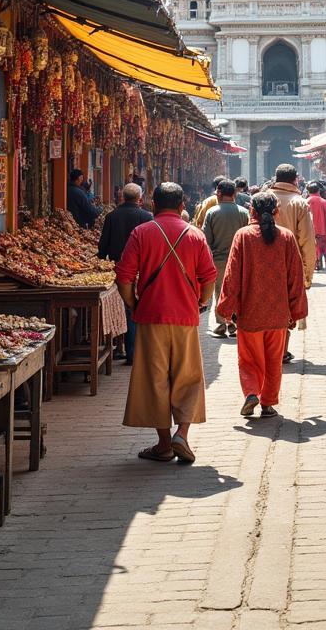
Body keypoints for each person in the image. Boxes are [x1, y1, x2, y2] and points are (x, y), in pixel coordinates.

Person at [116, 182, 217, 464]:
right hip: (185, 317)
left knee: (154, 379)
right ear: (182, 206)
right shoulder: (195, 235)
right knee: (188, 377)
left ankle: (163, 444)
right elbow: (209, 277)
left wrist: (134, 305)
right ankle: (181, 435)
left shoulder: (141, 233)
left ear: (152, 204)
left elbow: (124, 277)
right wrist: (201, 303)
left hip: (150, 317)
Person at [216, 192, 308, 418]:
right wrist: (296, 312)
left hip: (249, 313)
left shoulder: (243, 236)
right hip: (278, 314)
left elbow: (231, 275)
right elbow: (296, 277)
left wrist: (226, 309)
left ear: (252, 211)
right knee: (273, 360)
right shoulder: (286, 237)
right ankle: (267, 403)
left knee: (249, 359)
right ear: (276, 211)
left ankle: (251, 393)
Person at [98, 183, 154, 364]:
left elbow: (102, 246)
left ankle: (122, 348)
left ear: (122, 197)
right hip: (141, 271)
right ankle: (134, 353)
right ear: (140, 198)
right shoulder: (147, 217)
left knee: (121, 309)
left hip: (117, 270)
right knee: (134, 310)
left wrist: (101, 262)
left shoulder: (112, 216)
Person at [270, 163, 315, 363]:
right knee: (286, 308)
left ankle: (271, 351)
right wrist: (308, 274)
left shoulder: (262, 199)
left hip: (263, 262)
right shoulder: (299, 203)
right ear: (295, 179)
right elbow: (307, 240)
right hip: (291, 264)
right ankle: (282, 350)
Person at [201, 179, 249, 337]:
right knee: (237, 292)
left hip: (219, 260)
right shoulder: (244, 212)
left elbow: (205, 239)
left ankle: (222, 323)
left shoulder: (212, 212)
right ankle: (234, 322)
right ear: (235, 194)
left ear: (219, 193)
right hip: (240, 260)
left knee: (219, 292)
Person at [306, 182, 326, 271]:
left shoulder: (306, 202)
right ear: (318, 191)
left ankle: (316, 264)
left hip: (310, 230)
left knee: (313, 248)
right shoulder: (324, 202)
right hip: (323, 230)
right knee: (324, 247)